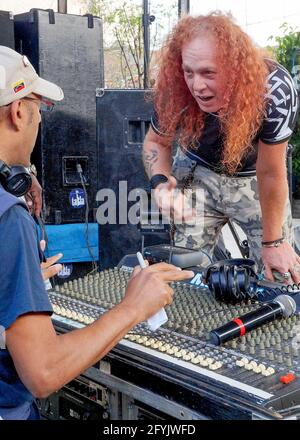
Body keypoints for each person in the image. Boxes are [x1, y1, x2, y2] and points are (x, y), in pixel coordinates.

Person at [0, 46, 194, 420]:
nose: (39, 119)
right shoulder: (10, 218)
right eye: (39, 107)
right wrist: (131, 309)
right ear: (19, 111)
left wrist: (14, 284)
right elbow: (44, 373)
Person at [143, 12, 300, 283]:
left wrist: (274, 243)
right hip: (196, 173)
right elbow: (156, 142)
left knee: (279, 275)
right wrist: (159, 183)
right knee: (185, 273)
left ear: (235, 67)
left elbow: (271, 173)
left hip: (255, 180)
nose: (197, 85)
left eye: (208, 73)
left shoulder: (274, 89)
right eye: (189, 72)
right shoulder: (174, 86)